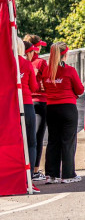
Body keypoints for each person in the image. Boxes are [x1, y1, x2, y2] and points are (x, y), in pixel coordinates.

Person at [42, 42, 85, 184]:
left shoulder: (46, 71)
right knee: (68, 141)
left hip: (51, 109)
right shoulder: (70, 71)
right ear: (65, 55)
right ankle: (68, 175)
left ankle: (51, 175)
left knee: (53, 141)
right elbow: (79, 90)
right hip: (67, 108)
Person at [23, 34, 48, 182]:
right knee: (37, 138)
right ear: (35, 47)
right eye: (39, 46)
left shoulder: (19, 61)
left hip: (23, 102)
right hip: (39, 101)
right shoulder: (40, 63)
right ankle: (35, 170)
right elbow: (46, 83)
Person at [17, 38, 39, 191]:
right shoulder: (26, 64)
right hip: (27, 104)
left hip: (11, 106)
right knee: (31, 142)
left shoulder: (5, 63)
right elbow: (34, 87)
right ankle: (28, 178)